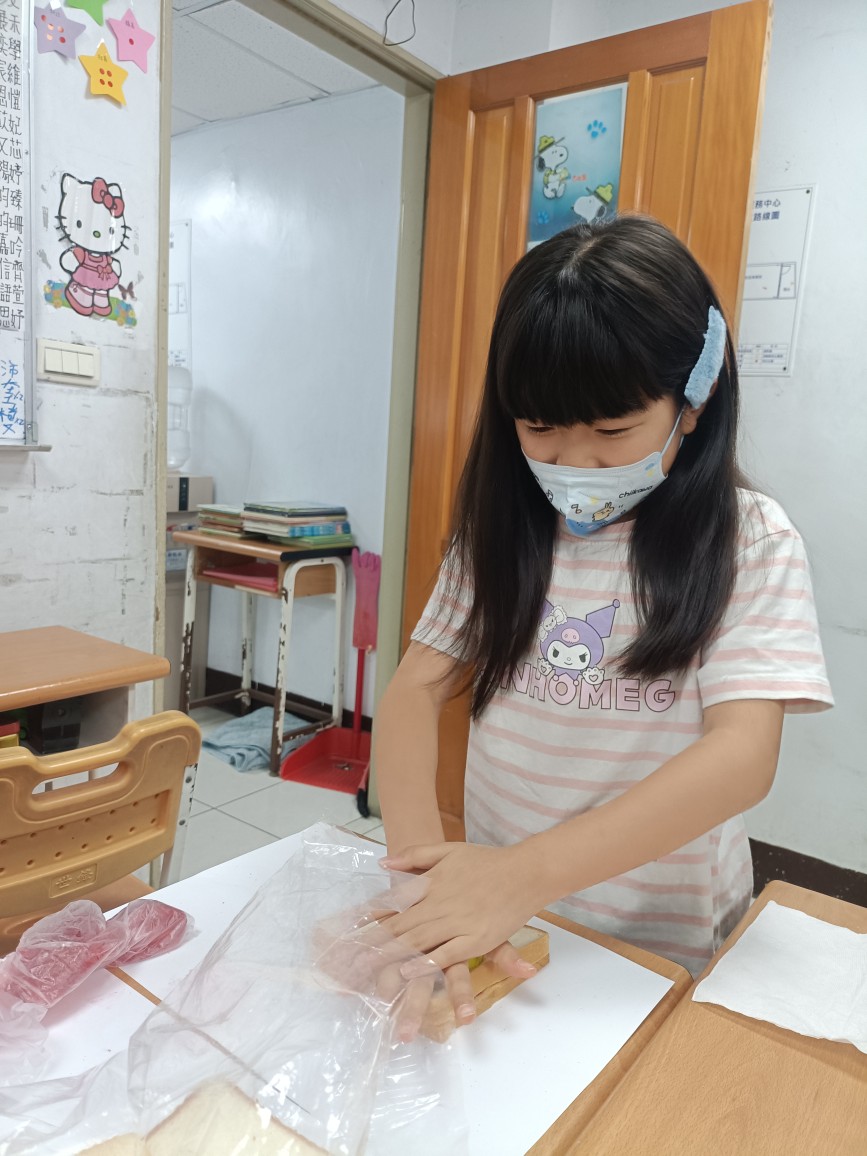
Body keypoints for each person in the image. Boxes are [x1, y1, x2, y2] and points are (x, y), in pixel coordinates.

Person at [373, 215, 832, 1036]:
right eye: (538, 429)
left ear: (693, 398)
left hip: (660, 946)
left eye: (612, 431)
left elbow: (741, 757)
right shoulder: (500, 532)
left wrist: (524, 873)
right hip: (508, 926)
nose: (572, 462)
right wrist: (420, 883)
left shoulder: (748, 540)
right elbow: (414, 691)